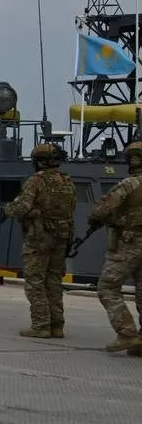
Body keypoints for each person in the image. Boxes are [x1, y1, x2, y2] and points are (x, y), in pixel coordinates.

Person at [1, 144, 74, 338]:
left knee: (35, 281)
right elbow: (70, 209)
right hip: (61, 237)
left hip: (38, 238)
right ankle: (57, 325)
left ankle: (41, 324)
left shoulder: (36, 181)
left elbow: (22, 207)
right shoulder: (67, 181)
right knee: (54, 281)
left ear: (39, 161)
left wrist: (8, 209)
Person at [87, 141, 142, 353]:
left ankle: (126, 333)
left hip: (129, 243)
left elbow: (99, 211)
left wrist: (109, 218)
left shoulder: (129, 184)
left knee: (107, 287)